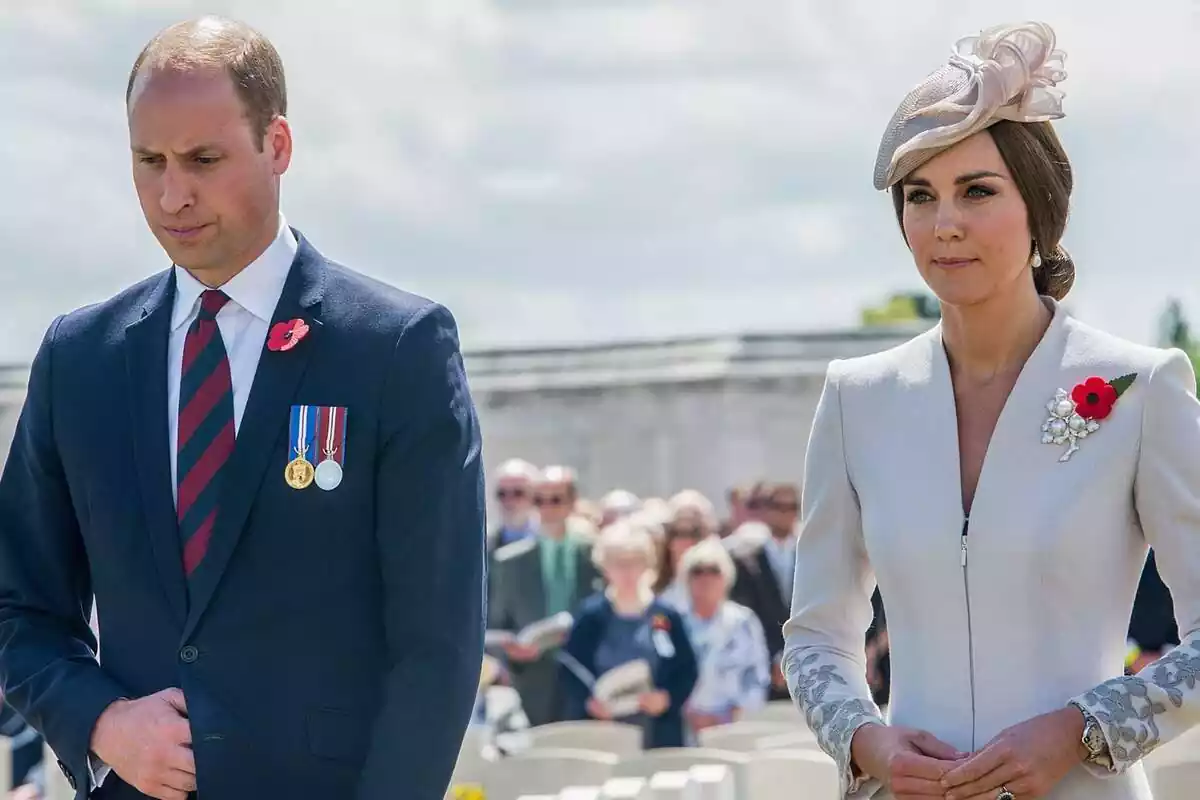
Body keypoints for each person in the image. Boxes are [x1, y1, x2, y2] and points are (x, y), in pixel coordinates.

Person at [0, 16, 485, 800]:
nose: (172, 193)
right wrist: (100, 721)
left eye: (204, 160)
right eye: (148, 160)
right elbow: (17, 603)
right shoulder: (79, 359)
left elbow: (438, 646)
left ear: (278, 146)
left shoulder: (396, 349)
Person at [783, 21, 1200, 800]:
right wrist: (866, 740)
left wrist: (1080, 729)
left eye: (977, 190)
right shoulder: (856, 398)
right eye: (920, 197)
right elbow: (814, 636)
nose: (946, 223)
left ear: (1040, 209)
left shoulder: (1142, 389)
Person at [559, 520, 698, 749]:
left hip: (657, 731)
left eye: (634, 562)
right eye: (619, 564)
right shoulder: (591, 615)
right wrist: (588, 703)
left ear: (646, 565)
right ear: (605, 568)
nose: (627, 572)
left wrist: (667, 698)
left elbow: (686, 668)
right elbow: (571, 667)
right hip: (604, 731)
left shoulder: (664, 615)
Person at [489, 465, 601, 726]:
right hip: (531, 680)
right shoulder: (509, 561)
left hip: (583, 680)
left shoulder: (594, 554)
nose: (547, 509)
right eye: (539, 500)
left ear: (572, 502)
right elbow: (495, 624)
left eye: (556, 500)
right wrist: (511, 652)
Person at [677, 538, 770, 741]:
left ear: (727, 577)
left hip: (733, 730)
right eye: (697, 571)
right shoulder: (675, 621)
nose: (706, 578)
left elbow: (757, 678)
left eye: (713, 570)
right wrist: (689, 715)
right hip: (682, 729)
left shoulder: (744, 622)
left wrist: (728, 718)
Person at [728, 481, 800, 701]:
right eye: (777, 506)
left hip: (806, 669)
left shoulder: (813, 557)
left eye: (791, 507)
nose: (784, 513)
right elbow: (747, 615)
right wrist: (775, 658)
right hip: (764, 673)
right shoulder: (745, 560)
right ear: (766, 510)